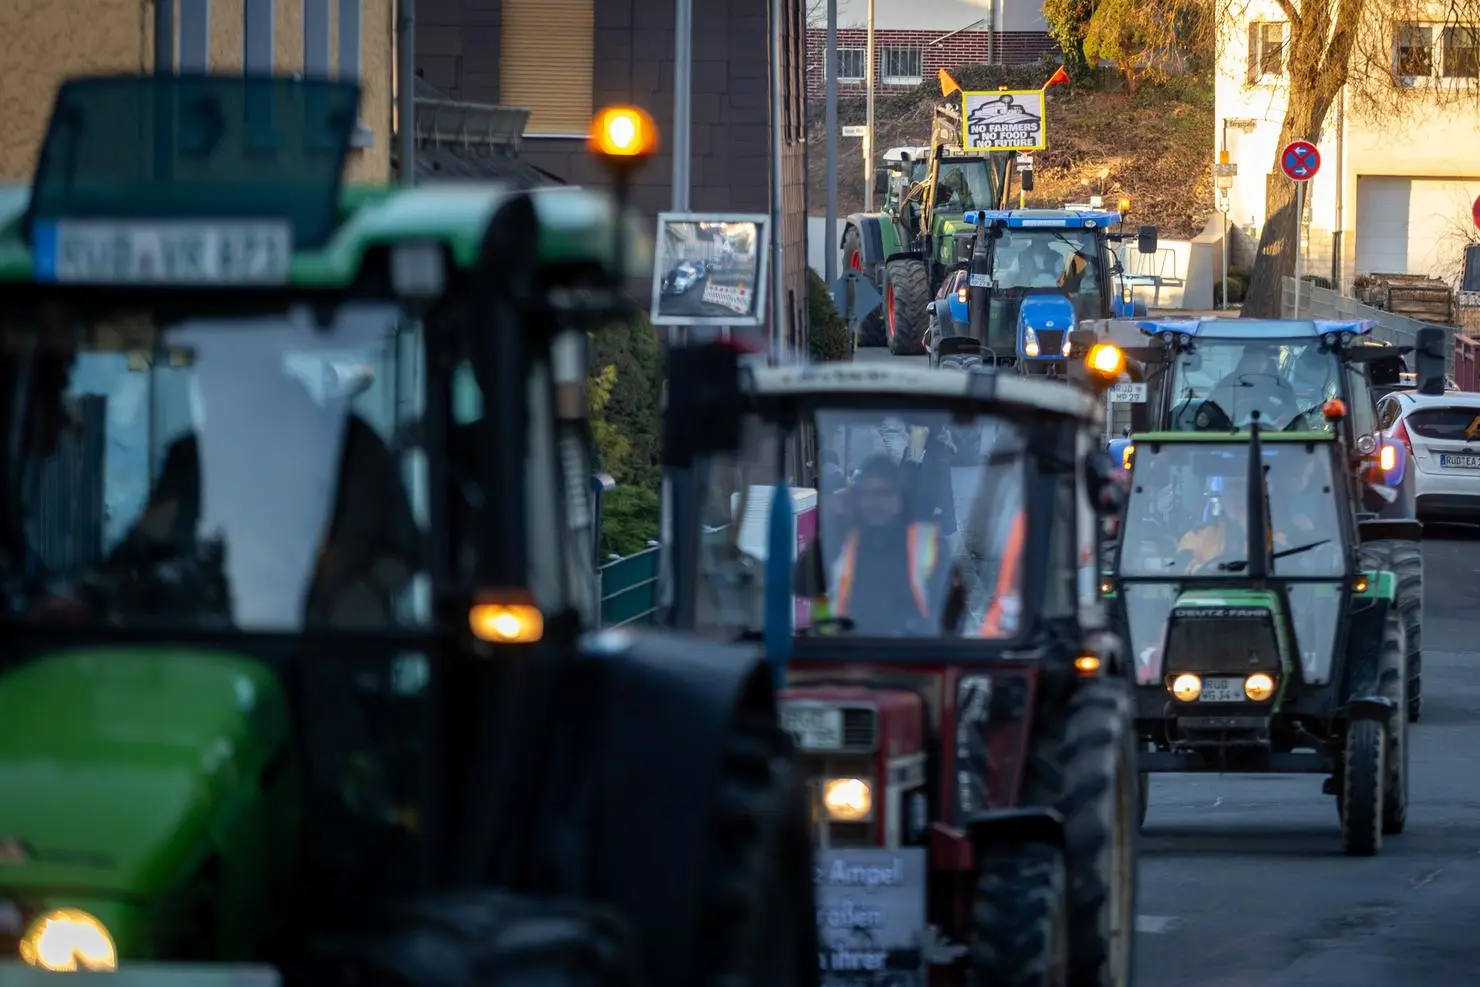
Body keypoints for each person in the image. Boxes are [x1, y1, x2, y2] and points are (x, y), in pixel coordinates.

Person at [797, 455, 950, 635]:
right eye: (866, 494)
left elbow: (947, 611)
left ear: (900, 497)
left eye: (884, 493)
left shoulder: (929, 542)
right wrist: (837, 522)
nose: (875, 503)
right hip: (843, 650)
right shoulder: (842, 536)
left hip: (911, 650)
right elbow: (803, 584)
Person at [1202, 346, 1296, 426]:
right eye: (1251, 360)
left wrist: (1283, 418)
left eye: (1259, 361)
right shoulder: (1228, 385)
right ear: (1244, 360)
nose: (1255, 365)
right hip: (1231, 439)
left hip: (1277, 440)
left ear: (1267, 362)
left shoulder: (1281, 386)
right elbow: (1209, 413)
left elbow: (1295, 417)